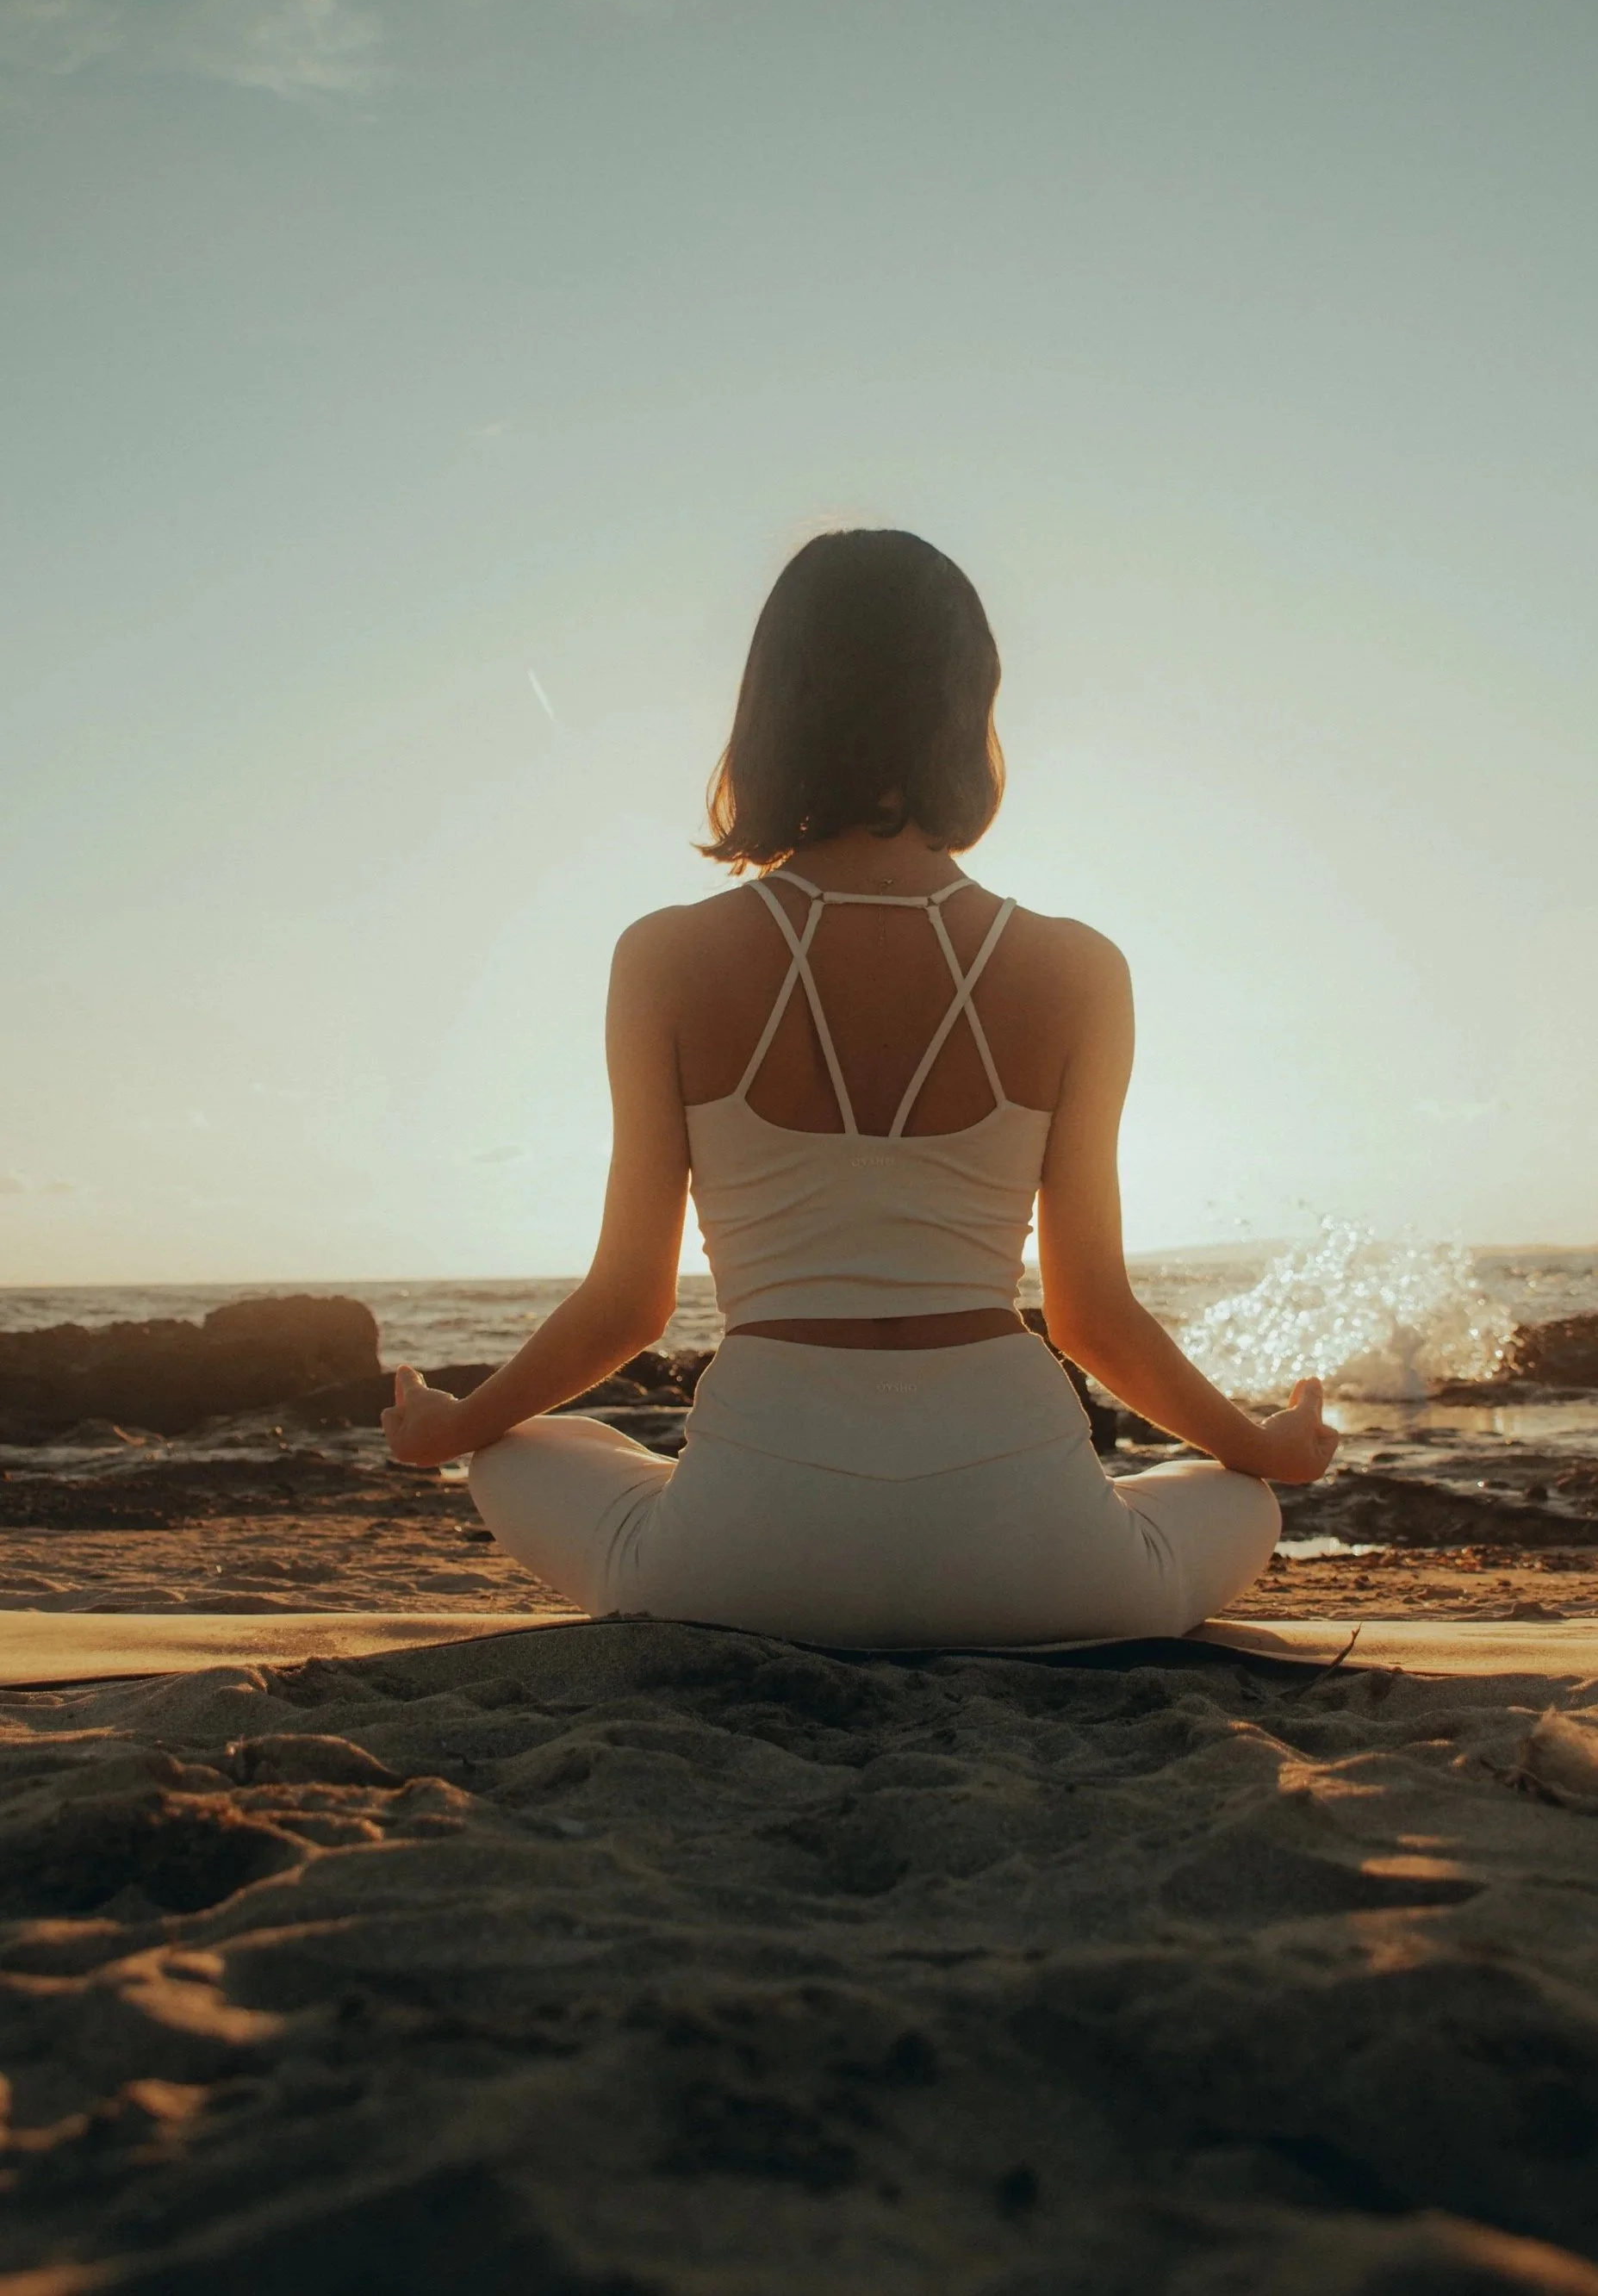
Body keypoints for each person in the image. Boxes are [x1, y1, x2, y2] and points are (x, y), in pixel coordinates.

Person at [383, 528, 1336, 1646]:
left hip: (742, 1565)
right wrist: (1257, 1448)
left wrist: (455, 1425)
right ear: (967, 710)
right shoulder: (1079, 968)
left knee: (526, 1450)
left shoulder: (665, 957)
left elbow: (628, 1305)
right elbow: (1091, 1317)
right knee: (1233, 1501)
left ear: (771, 709)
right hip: (1037, 1562)